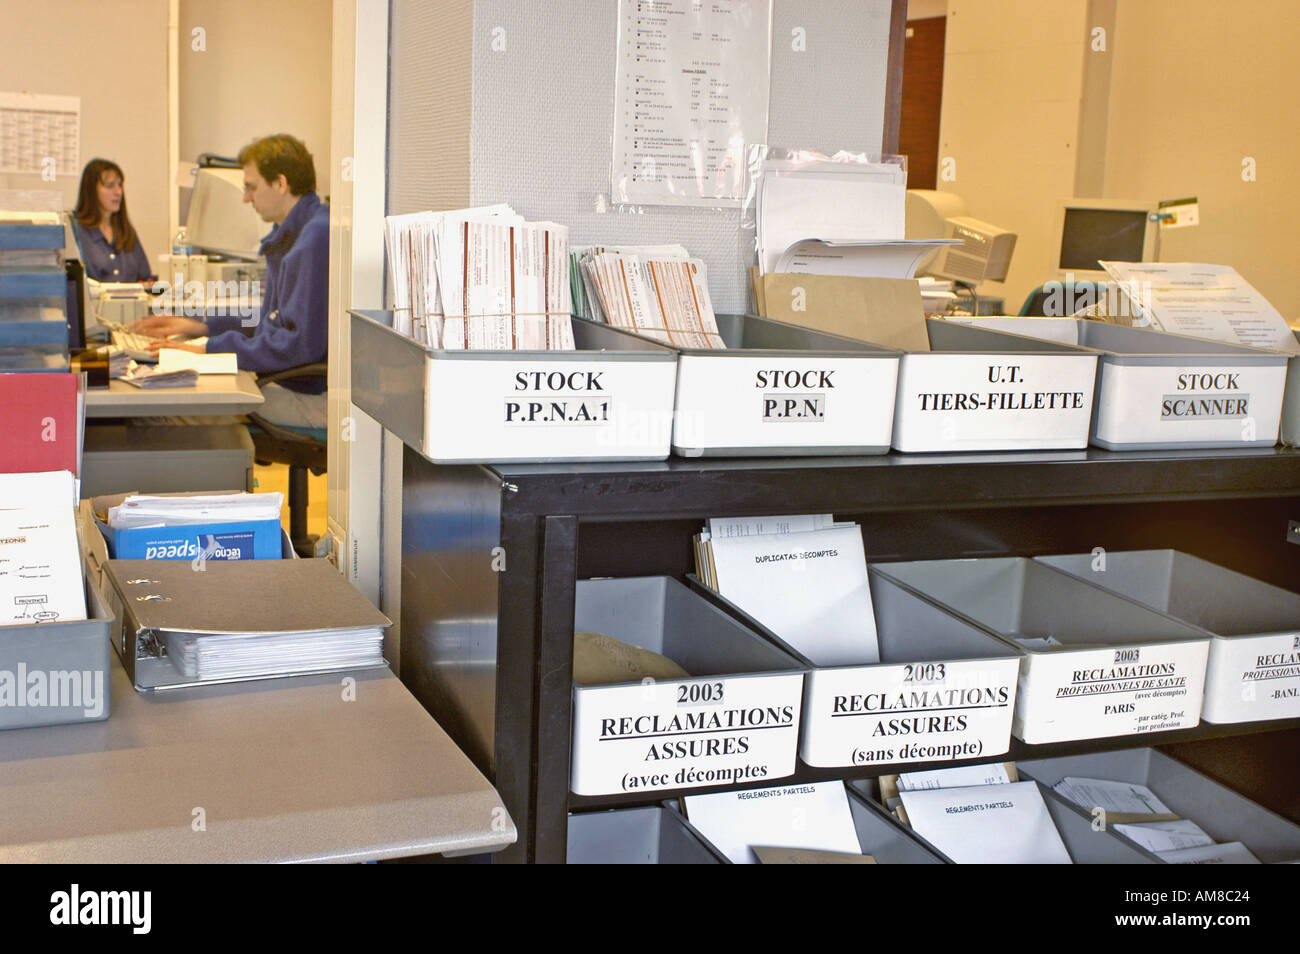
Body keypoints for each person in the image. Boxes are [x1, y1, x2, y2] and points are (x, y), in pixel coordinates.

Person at [134, 134, 329, 429]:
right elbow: (271, 324)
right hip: (293, 381)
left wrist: (207, 349)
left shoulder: (312, 239)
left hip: (312, 397)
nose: (245, 198)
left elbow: (296, 345)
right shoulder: (298, 232)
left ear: (280, 183)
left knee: (165, 408)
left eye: (251, 187)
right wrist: (200, 326)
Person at [72, 159, 156, 284]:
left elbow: (145, 277)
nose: (118, 192)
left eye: (120, 185)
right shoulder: (77, 232)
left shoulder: (126, 230)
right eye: (110, 185)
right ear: (91, 190)